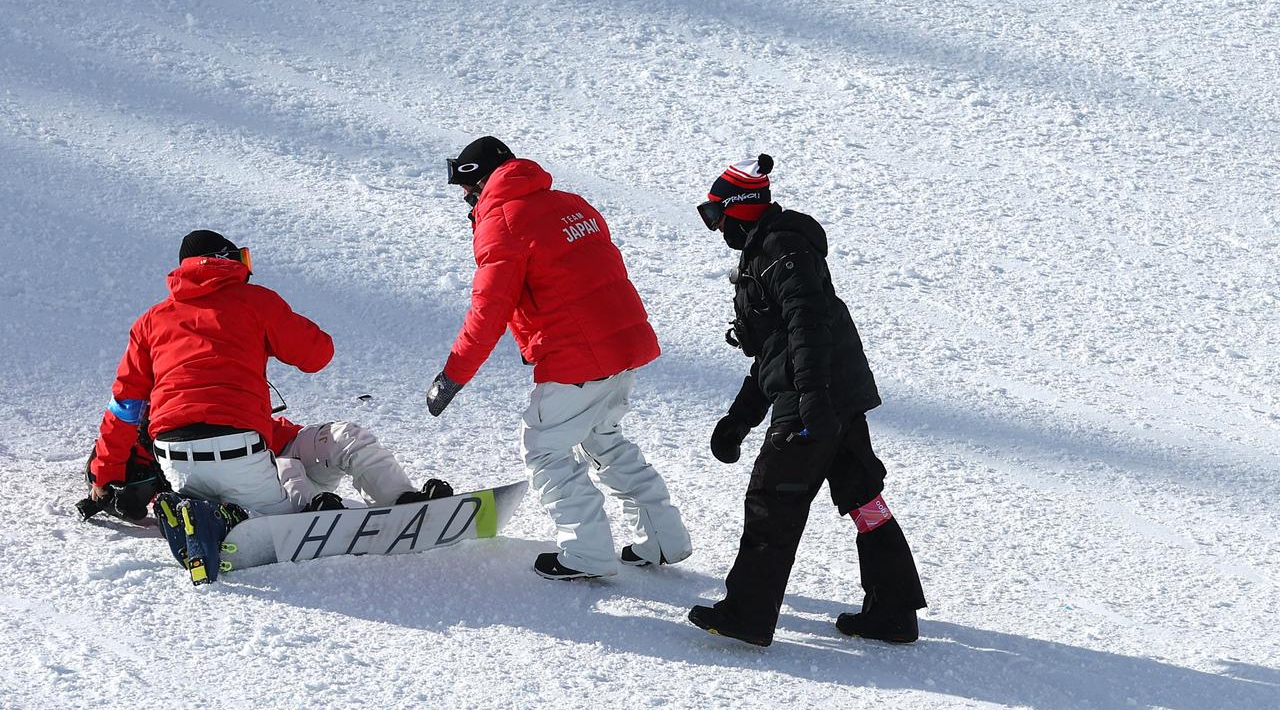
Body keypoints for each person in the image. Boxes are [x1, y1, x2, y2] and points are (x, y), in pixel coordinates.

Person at [89, 230, 449, 582]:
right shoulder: (254, 301)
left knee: (333, 441)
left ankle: (207, 513)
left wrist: (105, 477)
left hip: (176, 459)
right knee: (293, 494)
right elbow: (317, 354)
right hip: (240, 451)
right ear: (230, 260)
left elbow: (122, 408)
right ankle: (255, 518)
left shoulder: (150, 322)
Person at [686, 155, 927, 647]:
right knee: (864, 499)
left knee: (772, 501)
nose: (716, 230)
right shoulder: (769, 251)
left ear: (740, 209)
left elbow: (806, 325)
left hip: (815, 397)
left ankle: (747, 614)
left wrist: (812, 398)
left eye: (717, 217)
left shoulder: (780, 250)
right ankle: (893, 610)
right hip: (834, 394)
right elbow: (775, 349)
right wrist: (739, 419)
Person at [426, 136, 692, 580]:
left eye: (466, 190)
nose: (465, 200)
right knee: (604, 439)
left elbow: (488, 310)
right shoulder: (570, 202)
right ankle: (663, 538)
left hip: (577, 355)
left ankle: (587, 553)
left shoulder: (504, 221)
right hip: (621, 348)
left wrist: (453, 375)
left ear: (480, 180)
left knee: (545, 450)